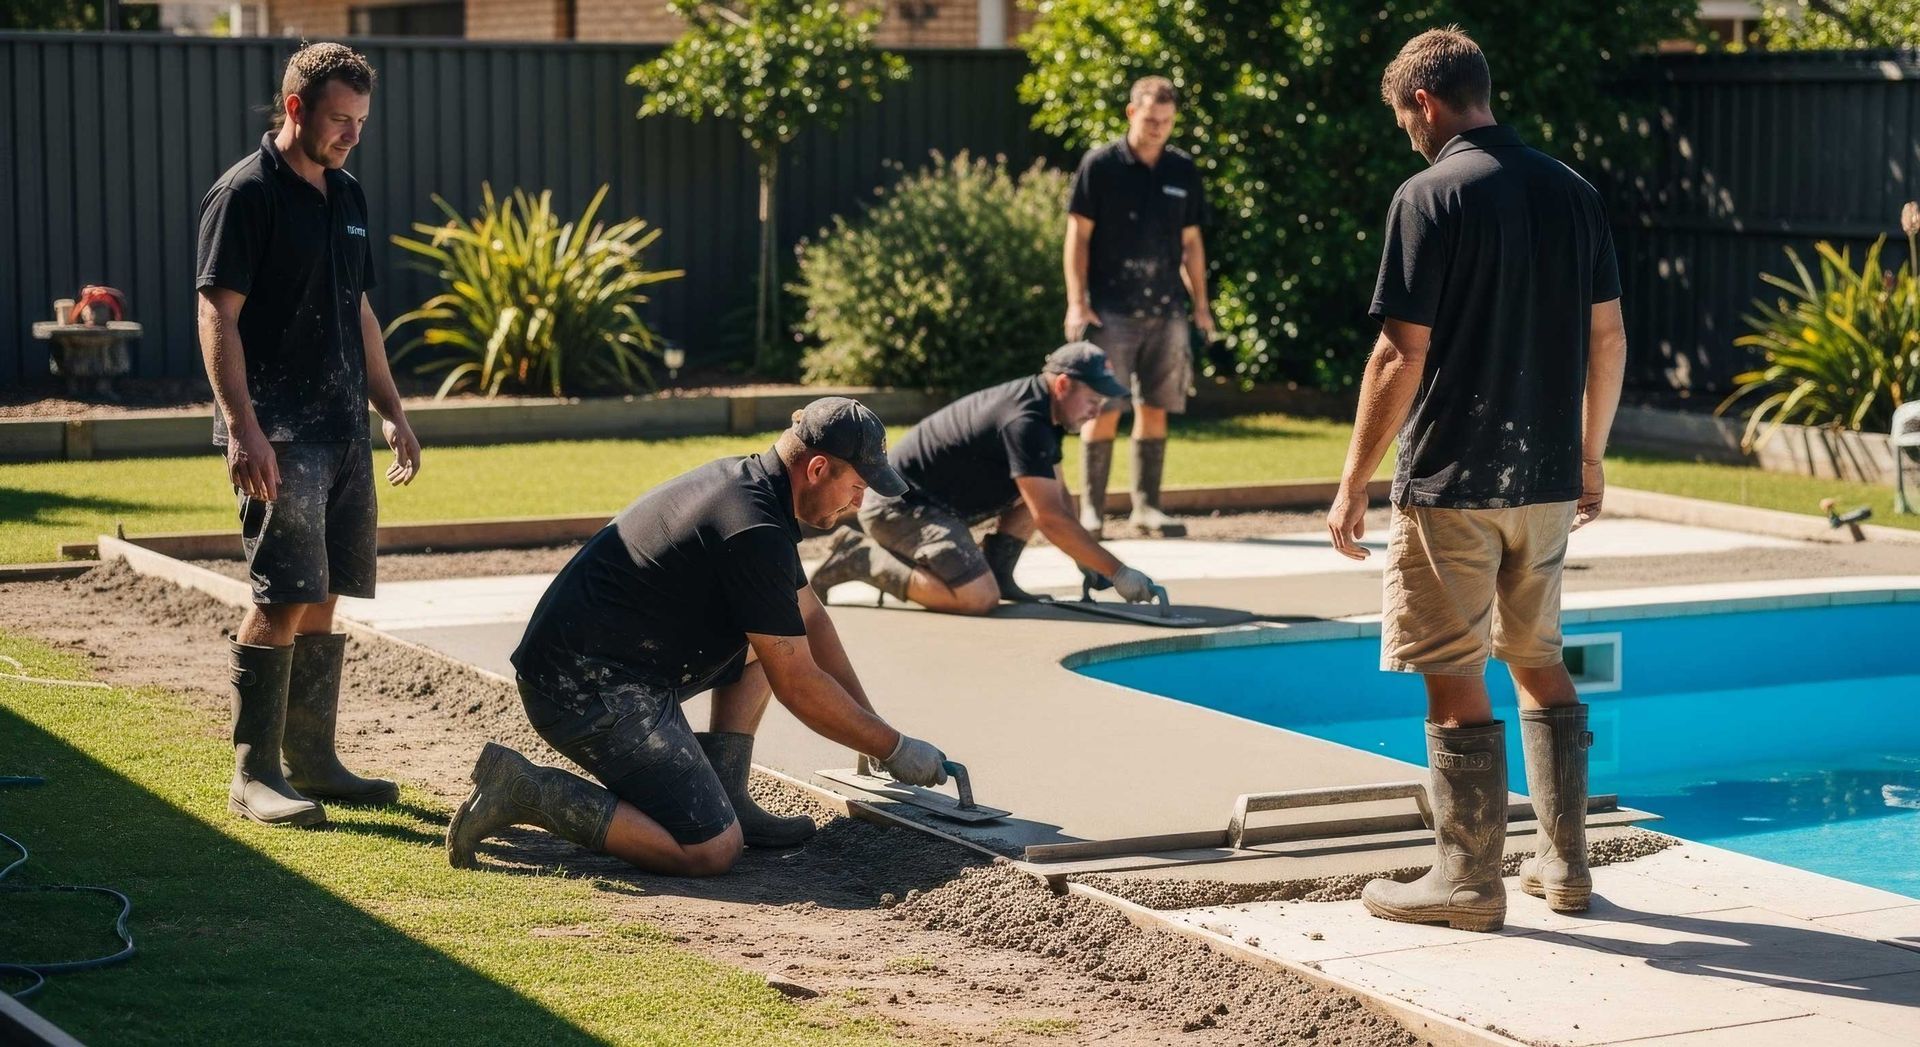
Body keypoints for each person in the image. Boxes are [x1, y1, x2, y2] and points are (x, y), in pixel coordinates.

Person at [1326, 27, 1627, 932]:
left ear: (1425, 101)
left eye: (1404, 118)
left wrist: (1352, 479)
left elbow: (1398, 353)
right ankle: (1565, 865)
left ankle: (1465, 879)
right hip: (1546, 480)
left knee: (1454, 671)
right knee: (1539, 659)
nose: (1408, 135)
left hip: (1453, 481)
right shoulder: (1574, 191)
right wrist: (1589, 455)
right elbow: (1608, 336)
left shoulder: (1428, 196)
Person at [446, 399, 954, 877]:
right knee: (711, 850)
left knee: (775, 639)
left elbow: (812, 621)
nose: (859, 502)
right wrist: (894, 747)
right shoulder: (752, 527)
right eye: (858, 487)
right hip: (583, 689)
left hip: (607, 663)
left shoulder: (754, 489)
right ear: (818, 469)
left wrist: (871, 727)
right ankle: (527, 790)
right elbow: (798, 684)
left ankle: (727, 795)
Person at [195, 42, 421, 827]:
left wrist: (392, 410)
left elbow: (359, 311)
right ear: (296, 108)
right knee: (283, 595)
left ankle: (313, 760)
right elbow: (217, 315)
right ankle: (253, 773)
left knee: (326, 593)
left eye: (361, 121)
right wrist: (242, 427)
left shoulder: (347, 193)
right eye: (339, 119)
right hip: (279, 434)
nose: (352, 134)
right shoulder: (246, 193)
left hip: (343, 430)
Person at [808, 344, 1163, 616]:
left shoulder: (1045, 411)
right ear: (1064, 384)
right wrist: (1118, 572)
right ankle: (861, 558)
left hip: (934, 504)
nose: (1097, 411)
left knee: (1039, 494)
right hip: (899, 507)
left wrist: (1086, 558)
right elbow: (1050, 519)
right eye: (1093, 399)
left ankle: (999, 573)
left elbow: (1057, 497)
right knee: (977, 598)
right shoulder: (1024, 421)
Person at [1064, 75, 1215, 539]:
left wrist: (1201, 305)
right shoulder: (1101, 166)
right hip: (1109, 308)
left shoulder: (1181, 169)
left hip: (1166, 309)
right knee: (1103, 406)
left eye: (1166, 121)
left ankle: (1147, 507)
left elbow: (1192, 243)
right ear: (1132, 113)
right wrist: (1077, 302)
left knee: (1156, 406)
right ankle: (1092, 511)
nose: (1158, 128)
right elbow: (1077, 238)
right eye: (1151, 119)